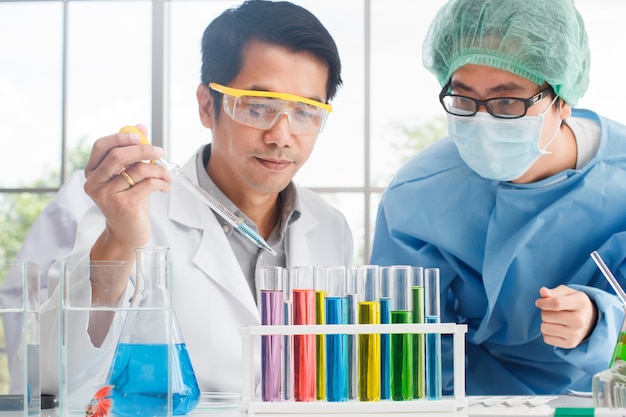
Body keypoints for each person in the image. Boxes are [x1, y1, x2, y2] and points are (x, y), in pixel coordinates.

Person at [33, 0, 353, 396]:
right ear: (207, 105)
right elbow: (53, 377)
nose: (281, 136)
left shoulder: (331, 228)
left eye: (305, 111)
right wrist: (120, 239)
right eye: (258, 106)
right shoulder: (129, 213)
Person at [371, 0, 626, 395]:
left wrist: (599, 320)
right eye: (464, 100)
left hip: (604, 395)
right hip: (468, 396)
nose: (482, 122)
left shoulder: (619, 182)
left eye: (508, 102)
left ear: (562, 101)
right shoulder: (419, 195)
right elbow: (408, 348)